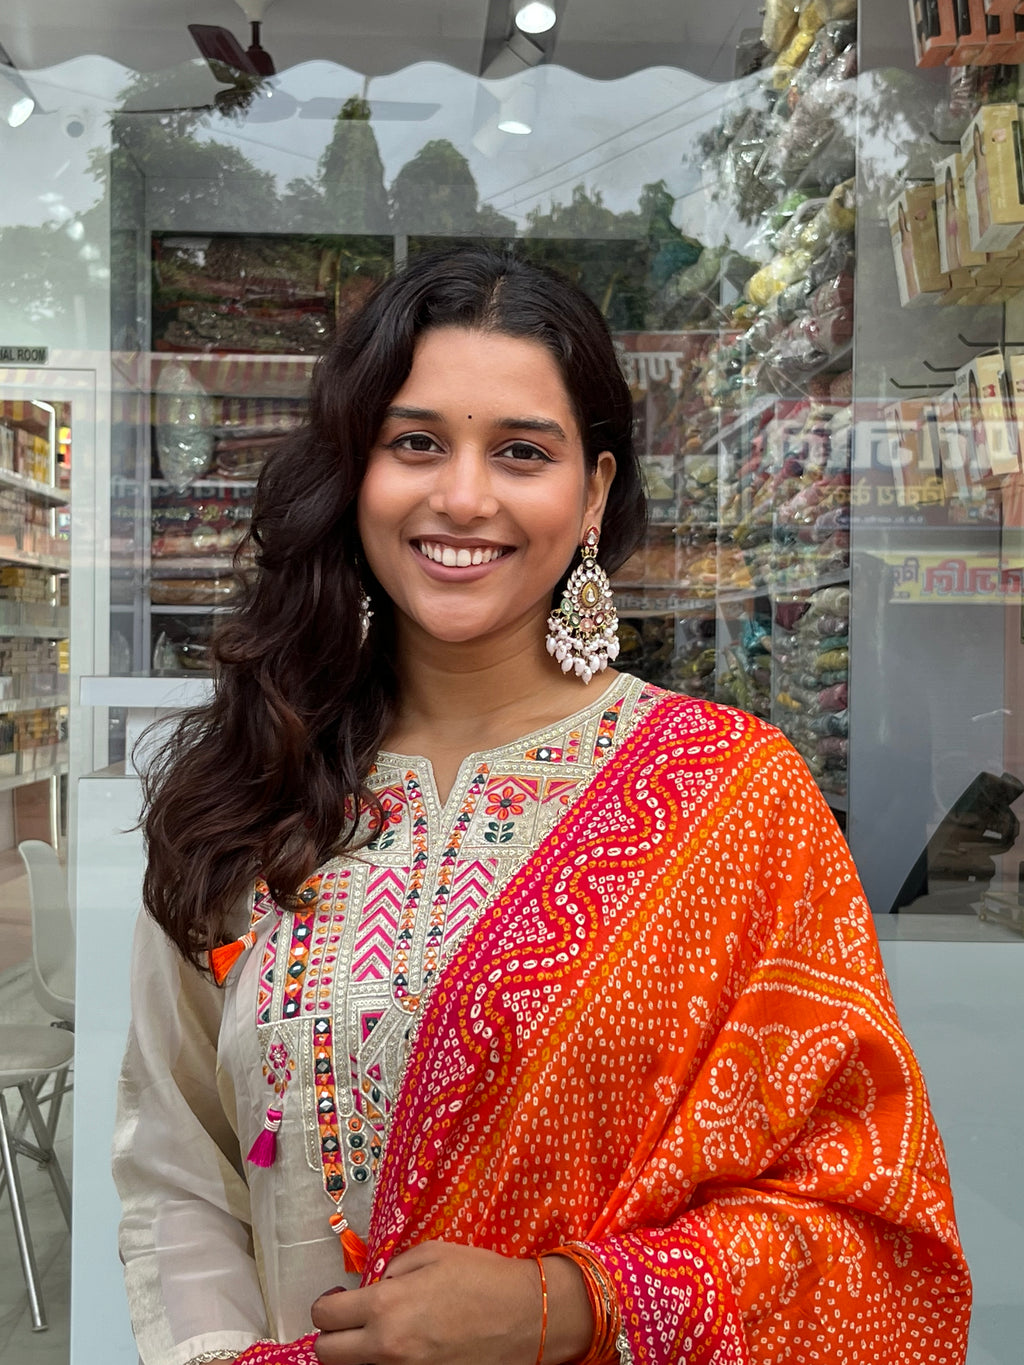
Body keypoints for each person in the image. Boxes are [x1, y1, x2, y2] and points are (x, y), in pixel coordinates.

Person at [114, 247, 972, 1365]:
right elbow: (178, 1170)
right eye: (415, 442)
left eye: (521, 452)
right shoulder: (249, 791)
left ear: (593, 493)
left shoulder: (730, 794)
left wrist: (561, 1304)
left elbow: (868, 1223)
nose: (462, 496)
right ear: (353, 469)